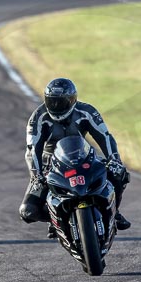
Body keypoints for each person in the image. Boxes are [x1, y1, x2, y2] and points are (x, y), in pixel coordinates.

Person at [19, 77, 131, 237]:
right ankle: (55, 220)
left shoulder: (87, 111)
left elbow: (105, 137)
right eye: (52, 101)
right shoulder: (38, 117)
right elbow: (31, 149)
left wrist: (115, 160)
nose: (57, 106)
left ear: (72, 100)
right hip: (50, 165)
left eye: (61, 102)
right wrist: (36, 175)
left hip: (84, 157)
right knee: (28, 212)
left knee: (118, 174)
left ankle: (115, 212)